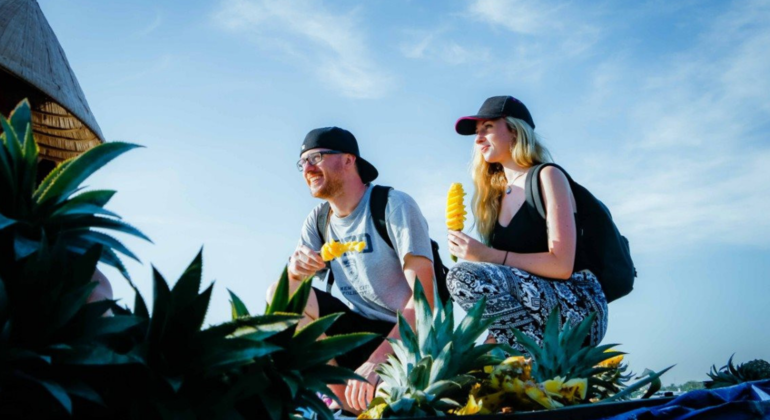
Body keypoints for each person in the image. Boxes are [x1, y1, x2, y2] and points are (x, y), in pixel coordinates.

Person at [268, 127, 435, 414]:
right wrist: (295, 271)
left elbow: (424, 301)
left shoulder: (393, 206)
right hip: (356, 332)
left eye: (316, 158)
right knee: (282, 292)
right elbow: (289, 292)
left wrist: (378, 360)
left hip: (406, 336)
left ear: (348, 160)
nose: (307, 168)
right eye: (302, 162)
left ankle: (360, 398)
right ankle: (342, 398)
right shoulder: (319, 220)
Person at [446, 95, 608, 351]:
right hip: (532, 315)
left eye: (487, 128)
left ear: (514, 130)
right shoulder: (493, 198)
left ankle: (525, 359)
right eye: (477, 132)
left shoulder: (548, 176)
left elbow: (562, 265)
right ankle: (520, 362)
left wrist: (487, 255)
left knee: (462, 275)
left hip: (578, 306)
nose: (478, 139)